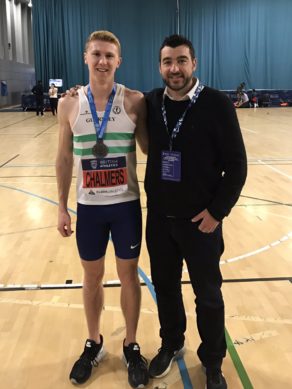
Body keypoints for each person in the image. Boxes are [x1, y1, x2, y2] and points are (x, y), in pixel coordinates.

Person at [144, 34, 247, 389]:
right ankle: (172, 342)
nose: (175, 68)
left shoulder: (216, 104)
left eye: (181, 61)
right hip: (159, 220)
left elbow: (237, 165)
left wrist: (217, 212)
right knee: (166, 288)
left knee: (208, 295)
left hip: (200, 223)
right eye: (168, 62)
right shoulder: (151, 101)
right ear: (159, 66)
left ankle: (213, 360)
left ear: (194, 63)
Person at [55, 30, 149, 389]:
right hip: (89, 210)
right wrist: (62, 207)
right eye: (96, 54)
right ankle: (94, 342)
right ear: (85, 57)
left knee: (129, 276)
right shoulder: (68, 104)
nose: (102, 61)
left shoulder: (135, 102)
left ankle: (131, 345)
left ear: (119, 61)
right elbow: (63, 158)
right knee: (91, 277)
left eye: (109, 55)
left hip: (125, 208)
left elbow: (150, 151)